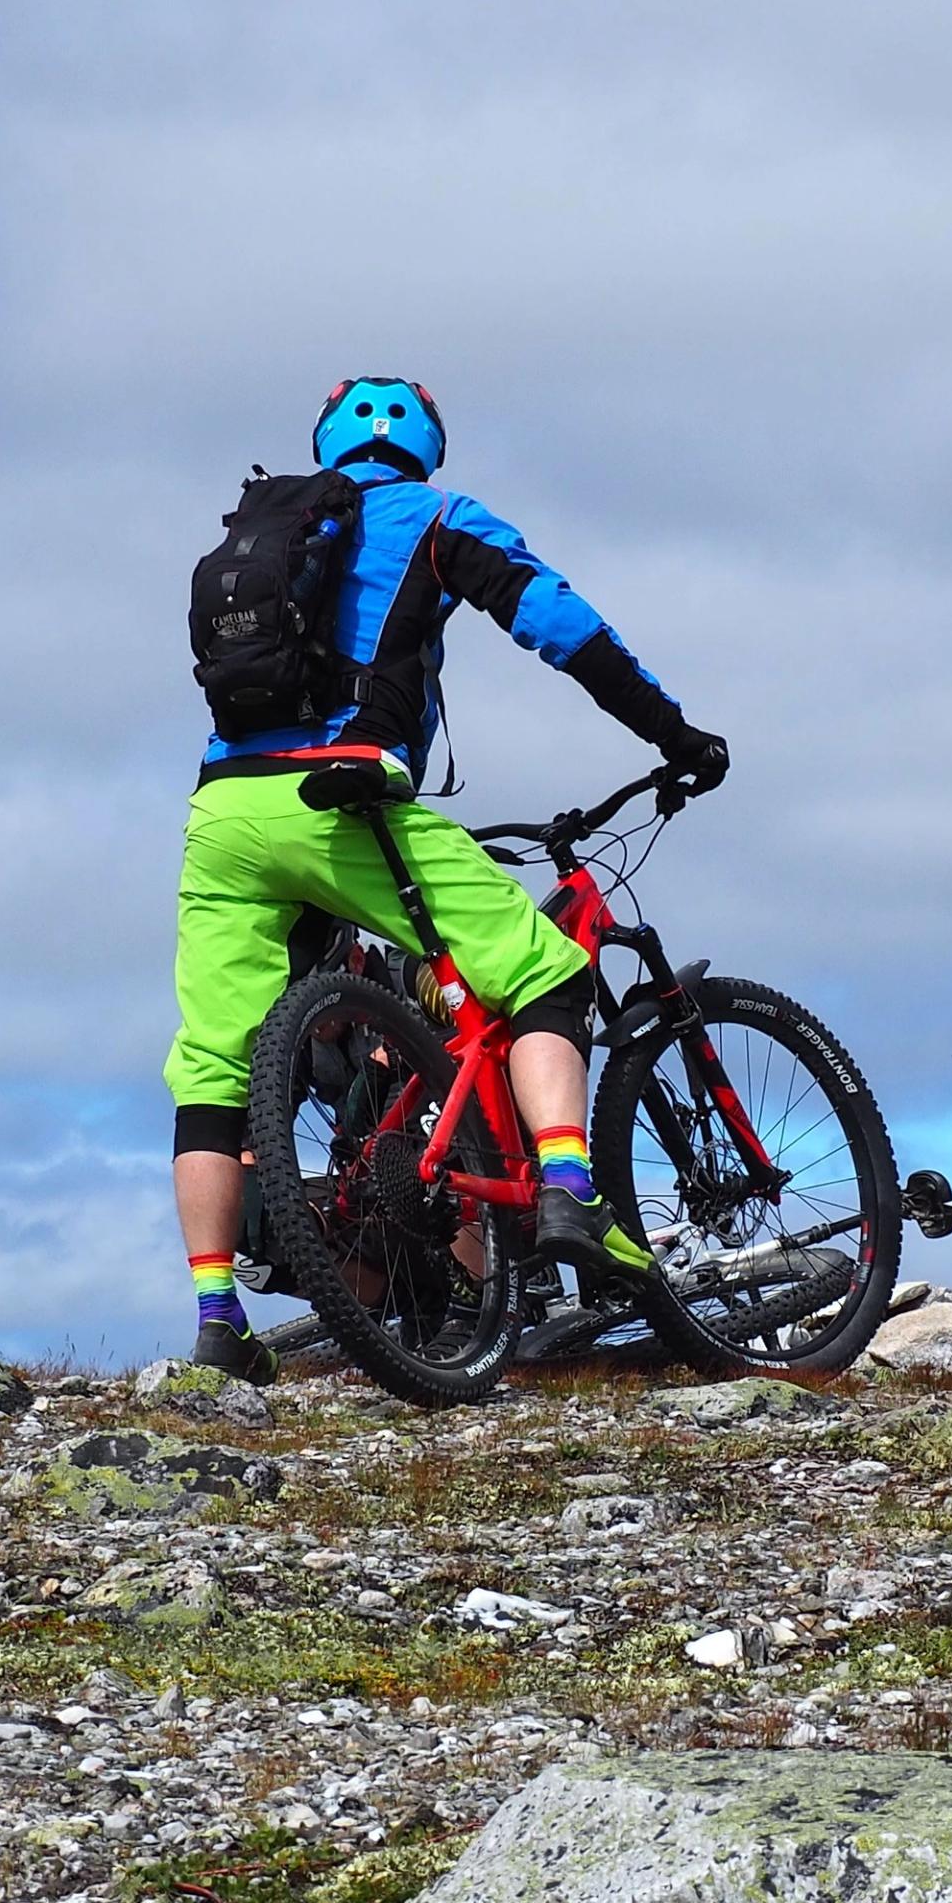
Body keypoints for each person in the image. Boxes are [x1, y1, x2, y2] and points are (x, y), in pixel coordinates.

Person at [165, 376, 728, 1383]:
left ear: (328, 445)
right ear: (425, 446)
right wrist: (673, 734)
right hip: (344, 799)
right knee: (544, 971)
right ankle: (567, 1186)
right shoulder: (435, 516)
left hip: (225, 812)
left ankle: (217, 1321)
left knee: (215, 1066)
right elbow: (561, 626)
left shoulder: (265, 534)